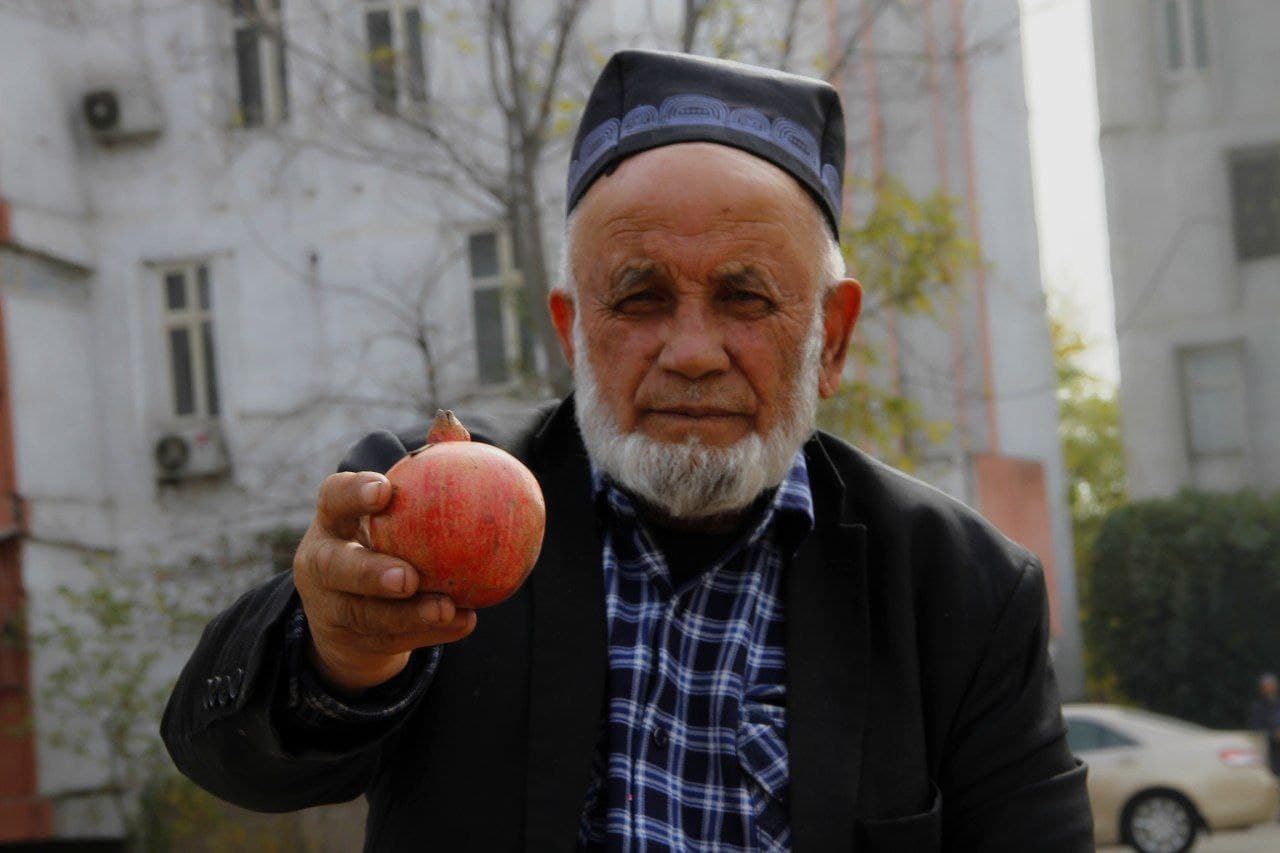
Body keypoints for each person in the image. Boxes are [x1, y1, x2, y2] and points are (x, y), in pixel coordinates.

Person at [162, 50, 1091, 850]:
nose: (691, 352)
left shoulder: (960, 590)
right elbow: (223, 751)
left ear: (831, 339)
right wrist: (340, 651)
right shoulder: (421, 500)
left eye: (745, 298)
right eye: (640, 299)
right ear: (573, 329)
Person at [1250, 673, 1280, 778]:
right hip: (1268, 750)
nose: (1270, 689)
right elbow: (1256, 729)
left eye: (1272, 685)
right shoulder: (1257, 708)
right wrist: (1273, 734)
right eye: (1266, 686)